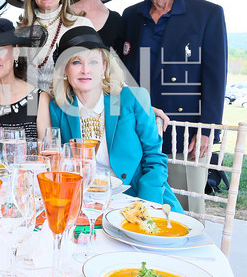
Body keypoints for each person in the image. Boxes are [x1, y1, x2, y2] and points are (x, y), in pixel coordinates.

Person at [121, 0, 228, 214]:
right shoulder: (131, 15)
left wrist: (207, 129)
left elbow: (215, 77)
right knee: (139, 207)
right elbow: (125, 73)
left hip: (185, 131)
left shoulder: (207, 14)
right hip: (139, 128)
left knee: (187, 211)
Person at [49, 26, 182, 212]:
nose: (86, 70)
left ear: (104, 66)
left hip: (138, 197)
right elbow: (61, 163)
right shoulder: (58, 109)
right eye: (76, 62)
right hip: (86, 202)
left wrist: (146, 205)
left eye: (93, 62)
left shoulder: (134, 98)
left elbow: (155, 158)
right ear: (64, 69)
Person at [2, 0, 92, 92]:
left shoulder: (81, 25)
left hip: (67, 108)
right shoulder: (18, 31)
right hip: (29, 108)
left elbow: (97, 71)